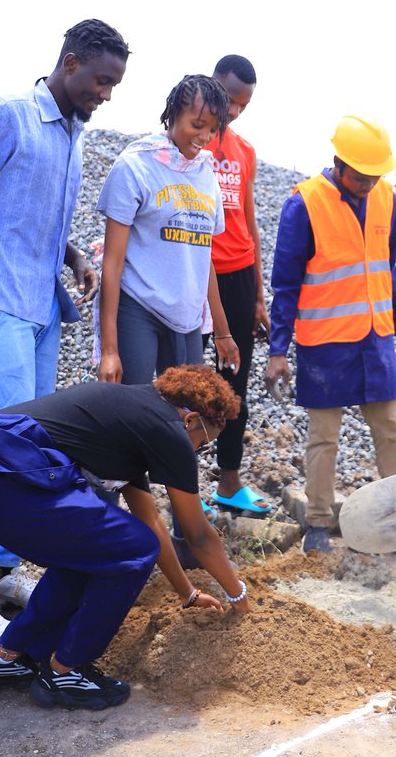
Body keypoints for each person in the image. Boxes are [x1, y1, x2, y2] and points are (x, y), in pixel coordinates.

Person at [0, 20, 130, 648]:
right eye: (101, 80)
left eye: (115, 85)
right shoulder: (7, 116)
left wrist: (75, 259)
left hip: (40, 302)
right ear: (69, 64)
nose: (107, 94)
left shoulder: (71, 135)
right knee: (6, 449)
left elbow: (33, 213)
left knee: (39, 444)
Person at [0, 365, 251, 710]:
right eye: (203, 443)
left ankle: (7, 657)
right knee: (129, 547)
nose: (195, 451)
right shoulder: (168, 429)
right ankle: (64, 672)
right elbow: (198, 536)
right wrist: (239, 597)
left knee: (97, 549)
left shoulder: (136, 414)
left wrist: (188, 594)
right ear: (190, 419)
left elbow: (151, 524)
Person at [264, 115, 396, 567]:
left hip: (375, 336)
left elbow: (386, 266)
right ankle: (318, 524)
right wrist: (279, 350)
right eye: (361, 175)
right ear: (338, 163)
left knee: (391, 430)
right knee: (324, 437)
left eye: (376, 176)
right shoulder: (304, 204)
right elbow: (286, 284)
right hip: (325, 342)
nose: (368, 183)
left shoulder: (384, 198)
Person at [96, 74, 241, 534]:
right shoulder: (135, 166)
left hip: (186, 318)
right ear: (173, 112)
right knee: (135, 419)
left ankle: (185, 531)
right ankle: (137, 528)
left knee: (193, 420)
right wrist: (110, 348)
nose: (203, 136)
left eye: (211, 128)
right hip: (140, 308)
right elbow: (112, 265)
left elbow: (206, 260)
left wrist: (221, 330)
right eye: (196, 124)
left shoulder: (206, 174)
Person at [204, 55, 272, 517]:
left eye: (242, 105)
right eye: (229, 99)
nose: (233, 112)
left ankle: (228, 481)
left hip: (239, 273)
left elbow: (249, 219)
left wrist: (260, 295)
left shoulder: (245, 151)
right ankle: (182, 489)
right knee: (186, 377)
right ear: (212, 86)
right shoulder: (190, 139)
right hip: (194, 274)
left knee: (235, 381)